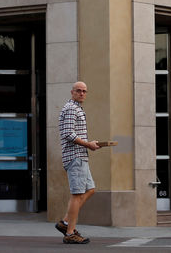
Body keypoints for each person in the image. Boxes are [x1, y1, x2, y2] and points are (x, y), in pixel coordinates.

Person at [55, 81, 99, 244]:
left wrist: (90, 144)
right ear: (72, 92)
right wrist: (88, 144)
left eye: (84, 91)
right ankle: (70, 233)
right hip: (75, 157)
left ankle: (65, 222)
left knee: (90, 189)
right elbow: (68, 134)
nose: (82, 93)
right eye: (79, 91)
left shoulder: (76, 108)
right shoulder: (71, 109)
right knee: (77, 194)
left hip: (80, 156)